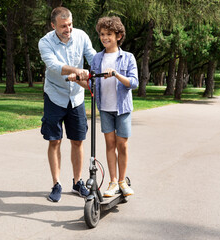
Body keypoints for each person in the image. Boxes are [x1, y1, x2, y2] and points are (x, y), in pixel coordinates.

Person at [38, 7, 96, 202]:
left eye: (70, 24)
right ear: (53, 25)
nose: (68, 29)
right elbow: (53, 66)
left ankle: (78, 182)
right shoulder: (45, 42)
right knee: (54, 140)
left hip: (76, 97)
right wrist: (79, 70)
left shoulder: (81, 36)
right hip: (55, 95)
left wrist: (102, 66)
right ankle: (56, 184)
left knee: (78, 140)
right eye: (63, 26)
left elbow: (93, 57)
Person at [79, 16, 138, 197]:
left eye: (109, 34)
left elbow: (133, 83)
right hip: (105, 107)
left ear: (119, 36)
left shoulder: (127, 57)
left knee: (123, 145)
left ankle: (122, 181)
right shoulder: (97, 58)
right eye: (102, 34)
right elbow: (92, 85)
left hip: (122, 108)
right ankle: (112, 182)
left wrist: (116, 75)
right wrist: (79, 80)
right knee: (110, 144)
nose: (105, 38)